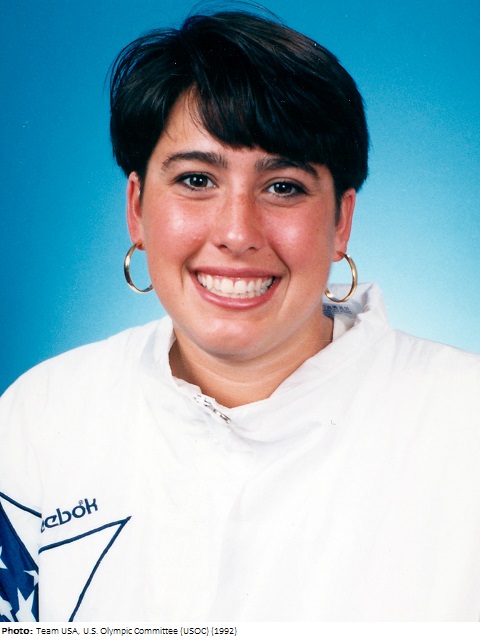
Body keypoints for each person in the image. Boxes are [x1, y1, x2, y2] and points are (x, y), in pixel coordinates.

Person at [1, 9, 479, 623]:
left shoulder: (463, 421)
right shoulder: (42, 417)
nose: (236, 232)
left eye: (283, 186)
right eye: (197, 179)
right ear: (137, 208)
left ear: (341, 221)